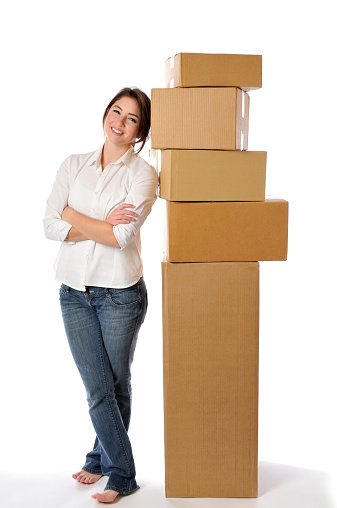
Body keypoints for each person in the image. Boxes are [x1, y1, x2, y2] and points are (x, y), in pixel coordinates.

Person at [43, 87, 157, 503]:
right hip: (73, 292)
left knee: (110, 386)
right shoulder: (73, 165)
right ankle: (100, 459)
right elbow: (49, 223)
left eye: (131, 119)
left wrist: (73, 216)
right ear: (105, 114)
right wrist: (94, 223)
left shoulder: (143, 174)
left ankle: (120, 474)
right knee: (101, 386)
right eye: (116, 111)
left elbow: (121, 236)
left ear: (140, 131)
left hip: (120, 297)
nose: (120, 122)